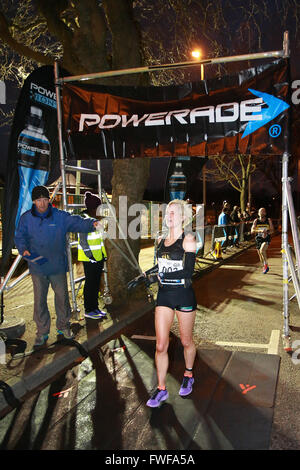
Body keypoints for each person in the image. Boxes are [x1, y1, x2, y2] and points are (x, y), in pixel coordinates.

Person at [15, 185, 100, 348]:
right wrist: (23, 249)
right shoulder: (26, 218)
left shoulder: (59, 216)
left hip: (57, 267)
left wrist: (92, 223)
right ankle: (42, 333)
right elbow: (20, 237)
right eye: (38, 200)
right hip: (38, 268)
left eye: (45, 200)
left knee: (62, 299)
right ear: (34, 201)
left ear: (49, 200)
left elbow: (77, 222)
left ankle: (63, 328)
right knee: (39, 301)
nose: (42, 203)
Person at [145, 199, 197, 408]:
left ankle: (189, 374)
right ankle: (161, 389)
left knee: (186, 341)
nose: (169, 215)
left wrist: (161, 273)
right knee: (160, 344)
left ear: (184, 217)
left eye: (174, 212)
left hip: (184, 295)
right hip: (165, 296)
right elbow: (159, 267)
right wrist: (148, 275)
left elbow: (188, 271)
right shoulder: (160, 240)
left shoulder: (189, 239)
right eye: (168, 212)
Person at [78, 192, 107, 320]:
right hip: (90, 259)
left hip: (98, 257)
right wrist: (91, 256)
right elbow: (83, 242)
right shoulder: (85, 221)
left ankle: (95, 308)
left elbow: (100, 239)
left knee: (95, 283)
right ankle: (89, 310)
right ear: (92, 208)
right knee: (90, 284)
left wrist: (102, 255)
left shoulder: (96, 220)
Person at [251, 207, 274, 274]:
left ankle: (266, 265)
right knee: (261, 256)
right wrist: (260, 230)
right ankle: (264, 266)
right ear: (258, 213)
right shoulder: (256, 221)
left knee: (262, 250)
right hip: (258, 239)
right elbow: (252, 231)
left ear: (265, 213)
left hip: (266, 239)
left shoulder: (268, 220)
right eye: (261, 211)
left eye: (263, 211)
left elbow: (272, 230)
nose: (262, 213)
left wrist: (267, 233)